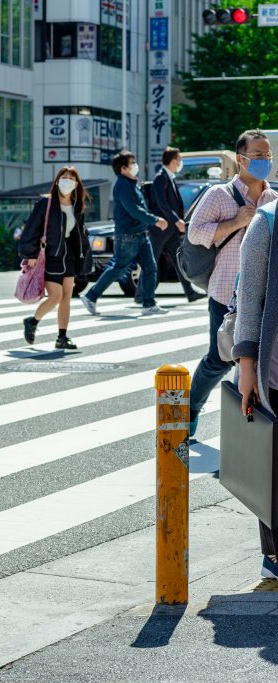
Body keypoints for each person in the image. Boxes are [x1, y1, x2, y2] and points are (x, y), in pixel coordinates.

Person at [187, 129, 278, 437]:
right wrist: (237, 221)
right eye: (258, 156)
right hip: (226, 293)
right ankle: (190, 410)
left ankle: (249, 429)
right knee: (219, 358)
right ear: (241, 160)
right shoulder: (219, 195)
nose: (265, 161)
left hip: (262, 298)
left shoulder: (273, 198)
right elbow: (195, 233)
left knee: (252, 360)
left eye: (268, 155)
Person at [232, 198, 278, 580]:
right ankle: (274, 556)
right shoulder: (267, 221)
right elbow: (249, 299)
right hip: (275, 369)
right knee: (272, 467)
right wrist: (246, 366)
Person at [80, 150, 169, 316]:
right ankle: (91, 296)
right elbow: (133, 210)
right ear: (123, 169)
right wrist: (155, 220)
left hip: (140, 234)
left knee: (150, 267)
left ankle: (148, 304)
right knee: (118, 268)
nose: (136, 165)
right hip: (129, 236)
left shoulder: (131, 183)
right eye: (132, 163)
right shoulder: (122, 185)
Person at [18, 166, 92, 350]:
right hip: (49, 255)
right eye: (64, 177)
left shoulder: (77, 205)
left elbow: (79, 233)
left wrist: (84, 256)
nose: (68, 180)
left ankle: (62, 337)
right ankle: (32, 321)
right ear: (58, 181)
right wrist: (30, 254)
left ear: (76, 184)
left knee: (67, 297)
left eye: (72, 178)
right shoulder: (46, 203)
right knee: (56, 296)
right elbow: (32, 228)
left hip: (69, 255)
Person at [149, 146, 204, 303]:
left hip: (170, 231)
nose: (180, 163)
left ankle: (190, 293)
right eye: (179, 159)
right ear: (173, 161)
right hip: (161, 229)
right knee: (151, 262)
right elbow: (161, 204)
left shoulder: (170, 177)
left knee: (179, 261)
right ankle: (141, 295)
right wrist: (176, 220)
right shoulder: (160, 177)